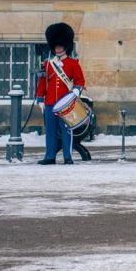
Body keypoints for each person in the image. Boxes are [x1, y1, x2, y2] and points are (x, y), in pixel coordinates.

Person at [36, 23, 85, 165]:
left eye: (60, 46)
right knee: (50, 131)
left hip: (66, 103)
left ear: (65, 46)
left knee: (66, 130)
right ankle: (50, 156)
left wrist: (76, 90)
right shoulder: (47, 64)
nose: (58, 48)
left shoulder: (73, 63)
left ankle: (67, 156)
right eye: (56, 46)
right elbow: (42, 82)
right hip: (50, 102)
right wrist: (40, 98)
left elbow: (80, 81)